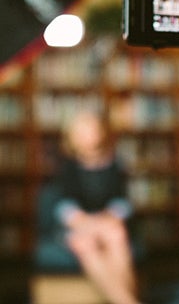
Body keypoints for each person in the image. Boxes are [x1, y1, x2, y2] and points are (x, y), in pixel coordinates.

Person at [38, 110, 141, 304]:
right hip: (78, 225)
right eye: (82, 131)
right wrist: (85, 221)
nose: (89, 135)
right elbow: (63, 204)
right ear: (72, 137)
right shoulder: (66, 165)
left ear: (101, 132)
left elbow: (122, 201)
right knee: (85, 244)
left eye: (92, 129)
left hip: (107, 222)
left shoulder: (115, 164)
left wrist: (108, 217)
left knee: (117, 235)